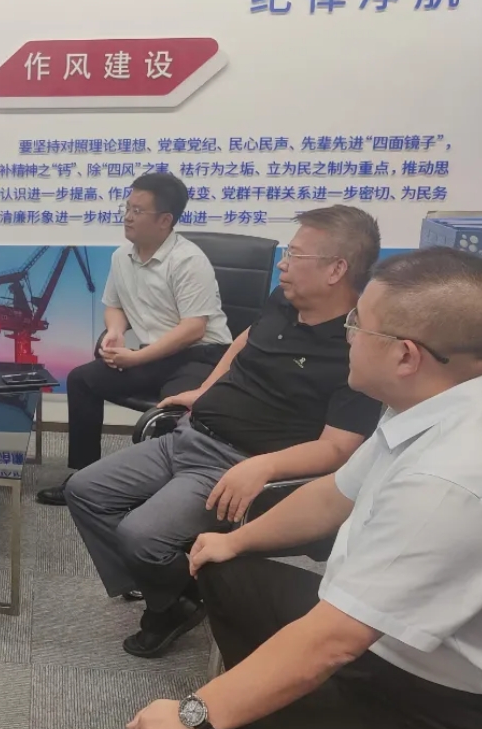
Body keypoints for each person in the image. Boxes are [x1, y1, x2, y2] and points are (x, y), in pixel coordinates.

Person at [128, 247, 482, 729]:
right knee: (223, 566)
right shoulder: (425, 401)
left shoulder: (445, 480)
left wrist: (195, 715)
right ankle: (279, 695)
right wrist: (234, 540)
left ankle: (281, 704)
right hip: (366, 627)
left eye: (358, 326)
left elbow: (336, 640)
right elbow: (333, 496)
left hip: (429, 699)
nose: (347, 336)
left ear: (406, 356)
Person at [65, 205, 383, 658]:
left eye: (295, 255)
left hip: (236, 464)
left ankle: (166, 600)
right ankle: (176, 595)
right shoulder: (284, 301)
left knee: (140, 535)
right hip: (190, 434)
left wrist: (263, 467)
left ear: (336, 269)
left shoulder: (357, 349)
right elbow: (244, 340)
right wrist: (203, 391)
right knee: (84, 490)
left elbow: (339, 448)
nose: (283, 265)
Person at [37, 171, 232, 506]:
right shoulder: (121, 256)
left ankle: (157, 492)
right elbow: (114, 306)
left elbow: (194, 328)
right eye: (127, 207)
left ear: (165, 220)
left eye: (137, 211)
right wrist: (115, 331)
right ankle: (83, 478)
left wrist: (137, 358)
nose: (127, 216)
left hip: (200, 355)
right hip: (155, 354)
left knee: (173, 409)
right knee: (82, 380)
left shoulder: (188, 260)